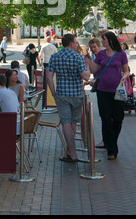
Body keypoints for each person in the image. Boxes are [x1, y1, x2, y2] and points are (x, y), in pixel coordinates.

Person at [85, 31, 129, 160]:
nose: (102, 41)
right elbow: (94, 70)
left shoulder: (121, 54)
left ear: (109, 40)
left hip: (117, 91)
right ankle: (111, 150)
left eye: (103, 39)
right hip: (102, 90)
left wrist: (124, 77)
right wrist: (88, 61)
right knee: (105, 117)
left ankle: (111, 141)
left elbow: (126, 71)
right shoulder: (101, 54)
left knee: (118, 119)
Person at [47, 34, 90, 162]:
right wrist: (87, 65)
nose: (77, 45)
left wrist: (53, 92)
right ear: (71, 44)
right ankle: (72, 152)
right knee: (73, 123)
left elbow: (49, 76)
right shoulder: (78, 57)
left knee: (66, 123)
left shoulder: (55, 56)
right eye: (76, 43)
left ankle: (70, 151)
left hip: (62, 94)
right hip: (77, 94)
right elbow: (85, 76)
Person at [88, 38, 105, 150]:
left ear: (99, 46)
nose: (93, 49)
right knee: (104, 115)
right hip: (99, 87)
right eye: (91, 47)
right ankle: (105, 139)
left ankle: (106, 140)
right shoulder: (94, 57)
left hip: (104, 87)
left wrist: (95, 80)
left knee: (106, 115)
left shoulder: (102, 56)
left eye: (94, 47)